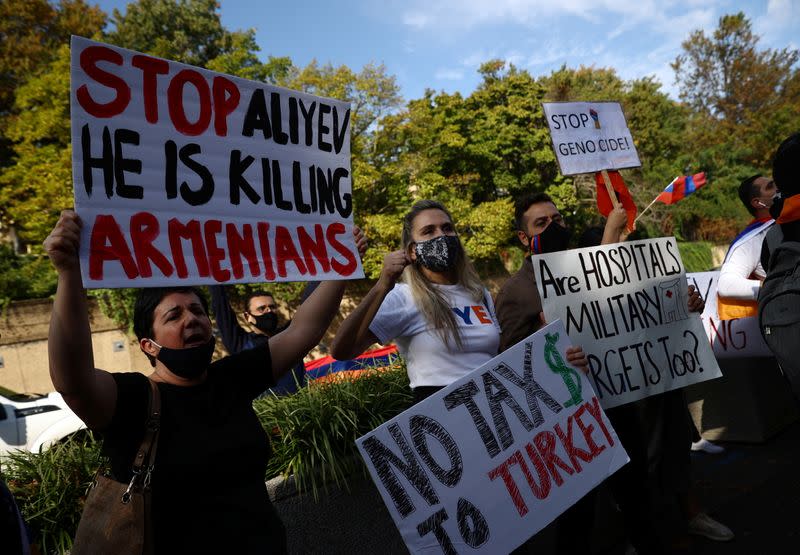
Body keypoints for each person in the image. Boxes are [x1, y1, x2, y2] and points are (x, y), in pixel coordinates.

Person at [44, 209, 366, 554]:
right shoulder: (134, 399)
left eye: (197, 311)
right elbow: (73, 380)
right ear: (148, 345)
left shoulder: (231, 379)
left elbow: (305, 329)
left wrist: (343, 263)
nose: (192, 319)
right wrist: (69, 273)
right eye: (175, 315)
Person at [329, 198, 588, 405]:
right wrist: (382, 284)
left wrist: (548, 344)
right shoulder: (402, 297)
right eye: (428, 231)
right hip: (446, 417)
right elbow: (342, 350)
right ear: (411, 251)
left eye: (447, 228)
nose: (441, 236)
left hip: (496, 411)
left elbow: (502, 360)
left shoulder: (479, 293)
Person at [209, 284, 318, 395]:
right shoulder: (241, 343)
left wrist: (323, 272)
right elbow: (220, 307)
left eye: (272, 307)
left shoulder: (290, 334)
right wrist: (214, 278)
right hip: (265, 411)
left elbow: (310, 301)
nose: (269, 311)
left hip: (301, 409)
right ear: (248, 316)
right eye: (262, 308)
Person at [717, 174, 776, 320]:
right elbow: (727, 285)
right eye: (770, 186)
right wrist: (778, 287)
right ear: (758, 202)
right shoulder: (752, 240)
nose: (778, 187)